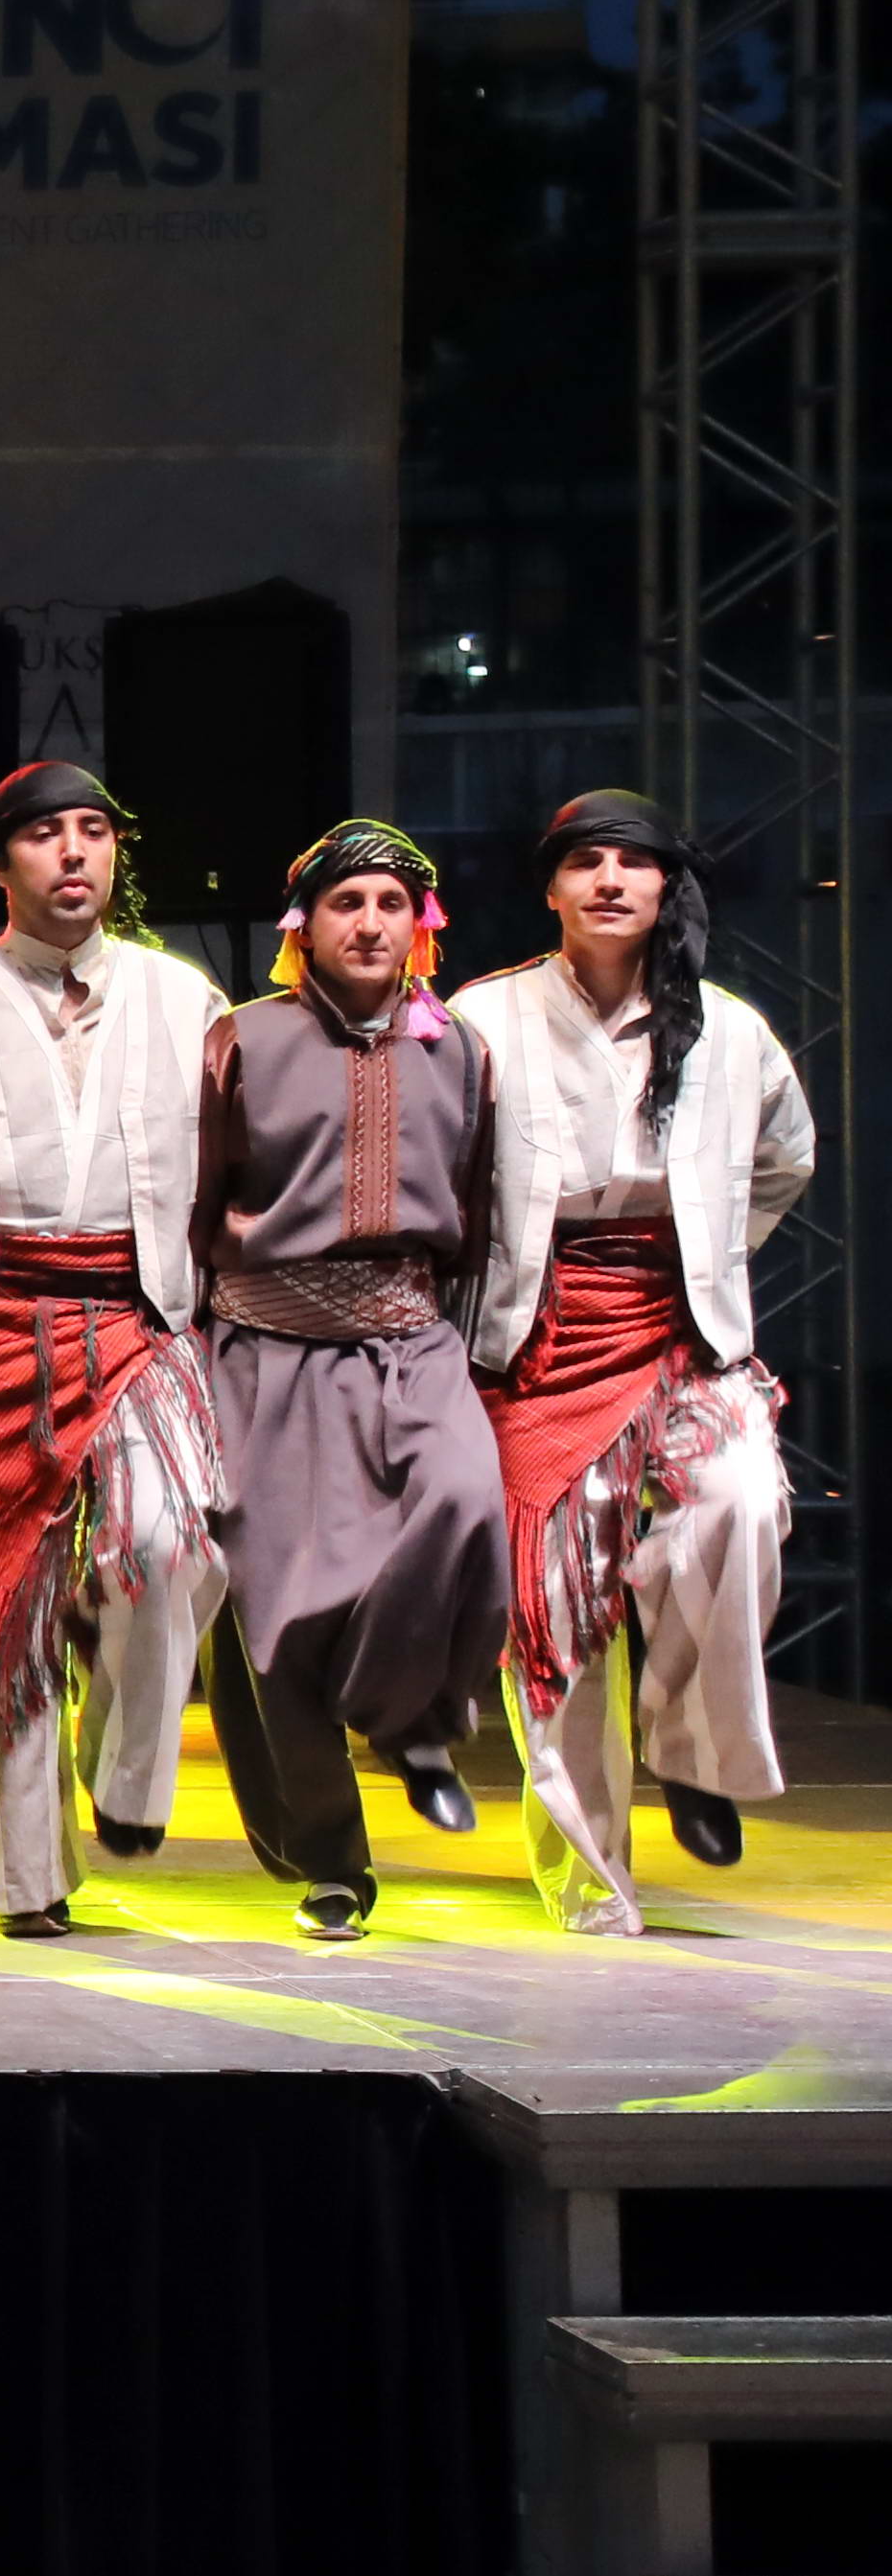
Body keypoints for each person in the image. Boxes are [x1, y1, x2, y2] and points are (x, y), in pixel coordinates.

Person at [461, 792, 814, 1934]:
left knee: (741, 1502)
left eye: (633, 862)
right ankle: (588, 1886)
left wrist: (710, 1249)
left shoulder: (728, 1029)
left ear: (667, 887)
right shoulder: (482, 1018)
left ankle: (696, 1751)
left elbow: (786, 1156)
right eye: (585, 862)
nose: (610, 879)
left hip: (678, 1328)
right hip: (538, 1333)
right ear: (551, 888)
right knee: (557, 1608)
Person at [0, 765, 230, 1938]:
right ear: (0, 864)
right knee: (1, 1602)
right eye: (45, 834)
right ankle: (24, 1877)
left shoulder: (184, 998)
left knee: (167, 1544)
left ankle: (123, 1770)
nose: (74, 852)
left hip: (138, 1308)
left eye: (94, 830)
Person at [193, 820, 509, 1942]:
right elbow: (195, 1197)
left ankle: (408, 1716)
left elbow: (476, 1201)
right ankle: (329, 1860)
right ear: (305, 924)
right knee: (279, 1615)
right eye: (346, 903)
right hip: (264, 1346)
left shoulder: (458, 1049)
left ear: (419, 923)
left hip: (410, 1338)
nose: (369, 923)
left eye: (389, 903)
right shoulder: (241, 1038)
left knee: (465, 1505)